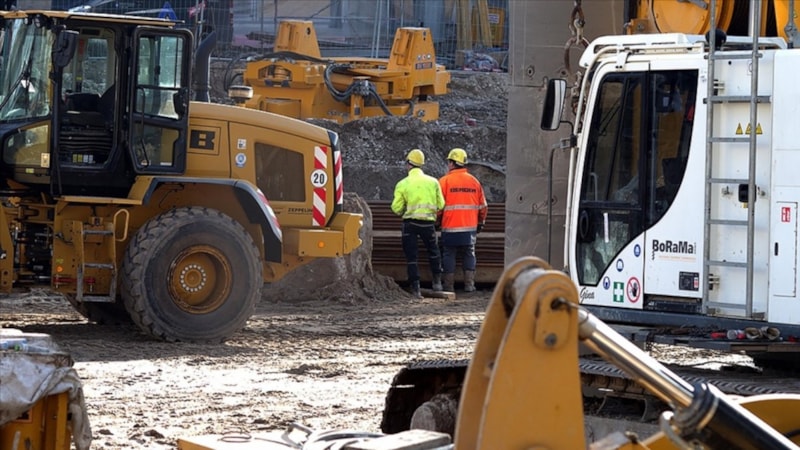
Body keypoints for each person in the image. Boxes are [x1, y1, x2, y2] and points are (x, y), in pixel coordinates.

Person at [391, 148, 445, 298]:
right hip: (428, 225)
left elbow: (395, 207)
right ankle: (437, 283)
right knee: (434, 253)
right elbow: (441, 204)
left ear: (409, 164)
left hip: (410, 224)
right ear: (421, 164)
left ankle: (416, 289)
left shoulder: (403, 183)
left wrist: (404, 211)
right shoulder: (433, 182)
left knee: (412, 257)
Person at [438, 148, 487, 292]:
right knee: (469, 253)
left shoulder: (444, 181)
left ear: (452, 163)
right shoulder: (474, 182)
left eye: (449, 162)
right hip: (469, 228)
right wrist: (480, 222)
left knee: (448, 254)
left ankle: (448, 285)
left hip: (450, 227)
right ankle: (469, 285)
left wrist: (437, 221)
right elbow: (483, 206)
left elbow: (438, 207)